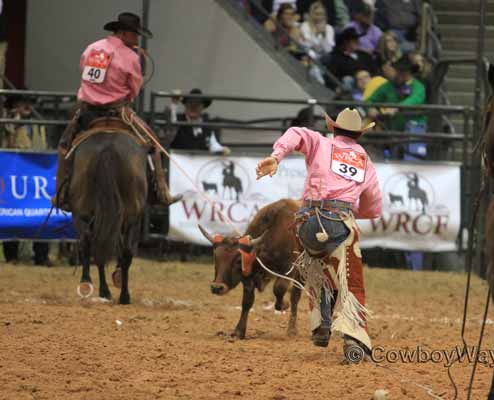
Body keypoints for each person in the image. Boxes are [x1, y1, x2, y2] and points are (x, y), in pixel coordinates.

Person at [255, 107, 382, 362]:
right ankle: (355, 342)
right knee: (351, 282)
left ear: (333, 128)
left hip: (306, 222)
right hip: (338, 221)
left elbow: (296, 133)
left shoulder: (319, 143)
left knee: (317, 269)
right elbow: (373, 204)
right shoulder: (363, 159)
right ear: (358, 134)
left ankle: (321, 324)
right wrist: (353, 210)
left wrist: (276, 156)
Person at [51, 12, 181, 211]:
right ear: (123, 33)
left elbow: (83, 73)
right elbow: (134, 89)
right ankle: (162, 191)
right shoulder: (130, 57)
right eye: (135, 34)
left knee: (63, 146)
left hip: (88, 112)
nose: (137, 39)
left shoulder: (92, 48)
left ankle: (60, 193)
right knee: (154, 145)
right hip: (118, 111)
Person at [3, 93, 52, 266]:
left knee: (42, 213)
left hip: (36, 176)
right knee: (12, 214)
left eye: (28, 103)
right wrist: (15, 117)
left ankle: (41, 256)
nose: (27, 107)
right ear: (15, 105)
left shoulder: (39, 124)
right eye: (22, 103)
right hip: (14, 175)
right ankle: (11, 256)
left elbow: (44, 147)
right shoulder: (8, 122)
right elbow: (6, 138)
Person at [366, 56, 426, 133]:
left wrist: (396, 108)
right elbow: (371, 100)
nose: (399, 73)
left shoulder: (418, 86)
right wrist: (371, 108)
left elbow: (415, 100)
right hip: (392, 129)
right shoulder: (388, 85)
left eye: (403, 71)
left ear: (409, 72)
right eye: (398, 70)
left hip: (415, 126)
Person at [167, 88, 230, 154]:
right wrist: (174, 103)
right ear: (185, 105)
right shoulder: (178, 120)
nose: (193, 107)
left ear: (203, 107)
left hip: (200, 163)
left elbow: (213, 145)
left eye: (197, 104)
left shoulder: (207, 125)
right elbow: (171, 127)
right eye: (190, 103)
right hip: (178, 161)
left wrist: (222, 149)